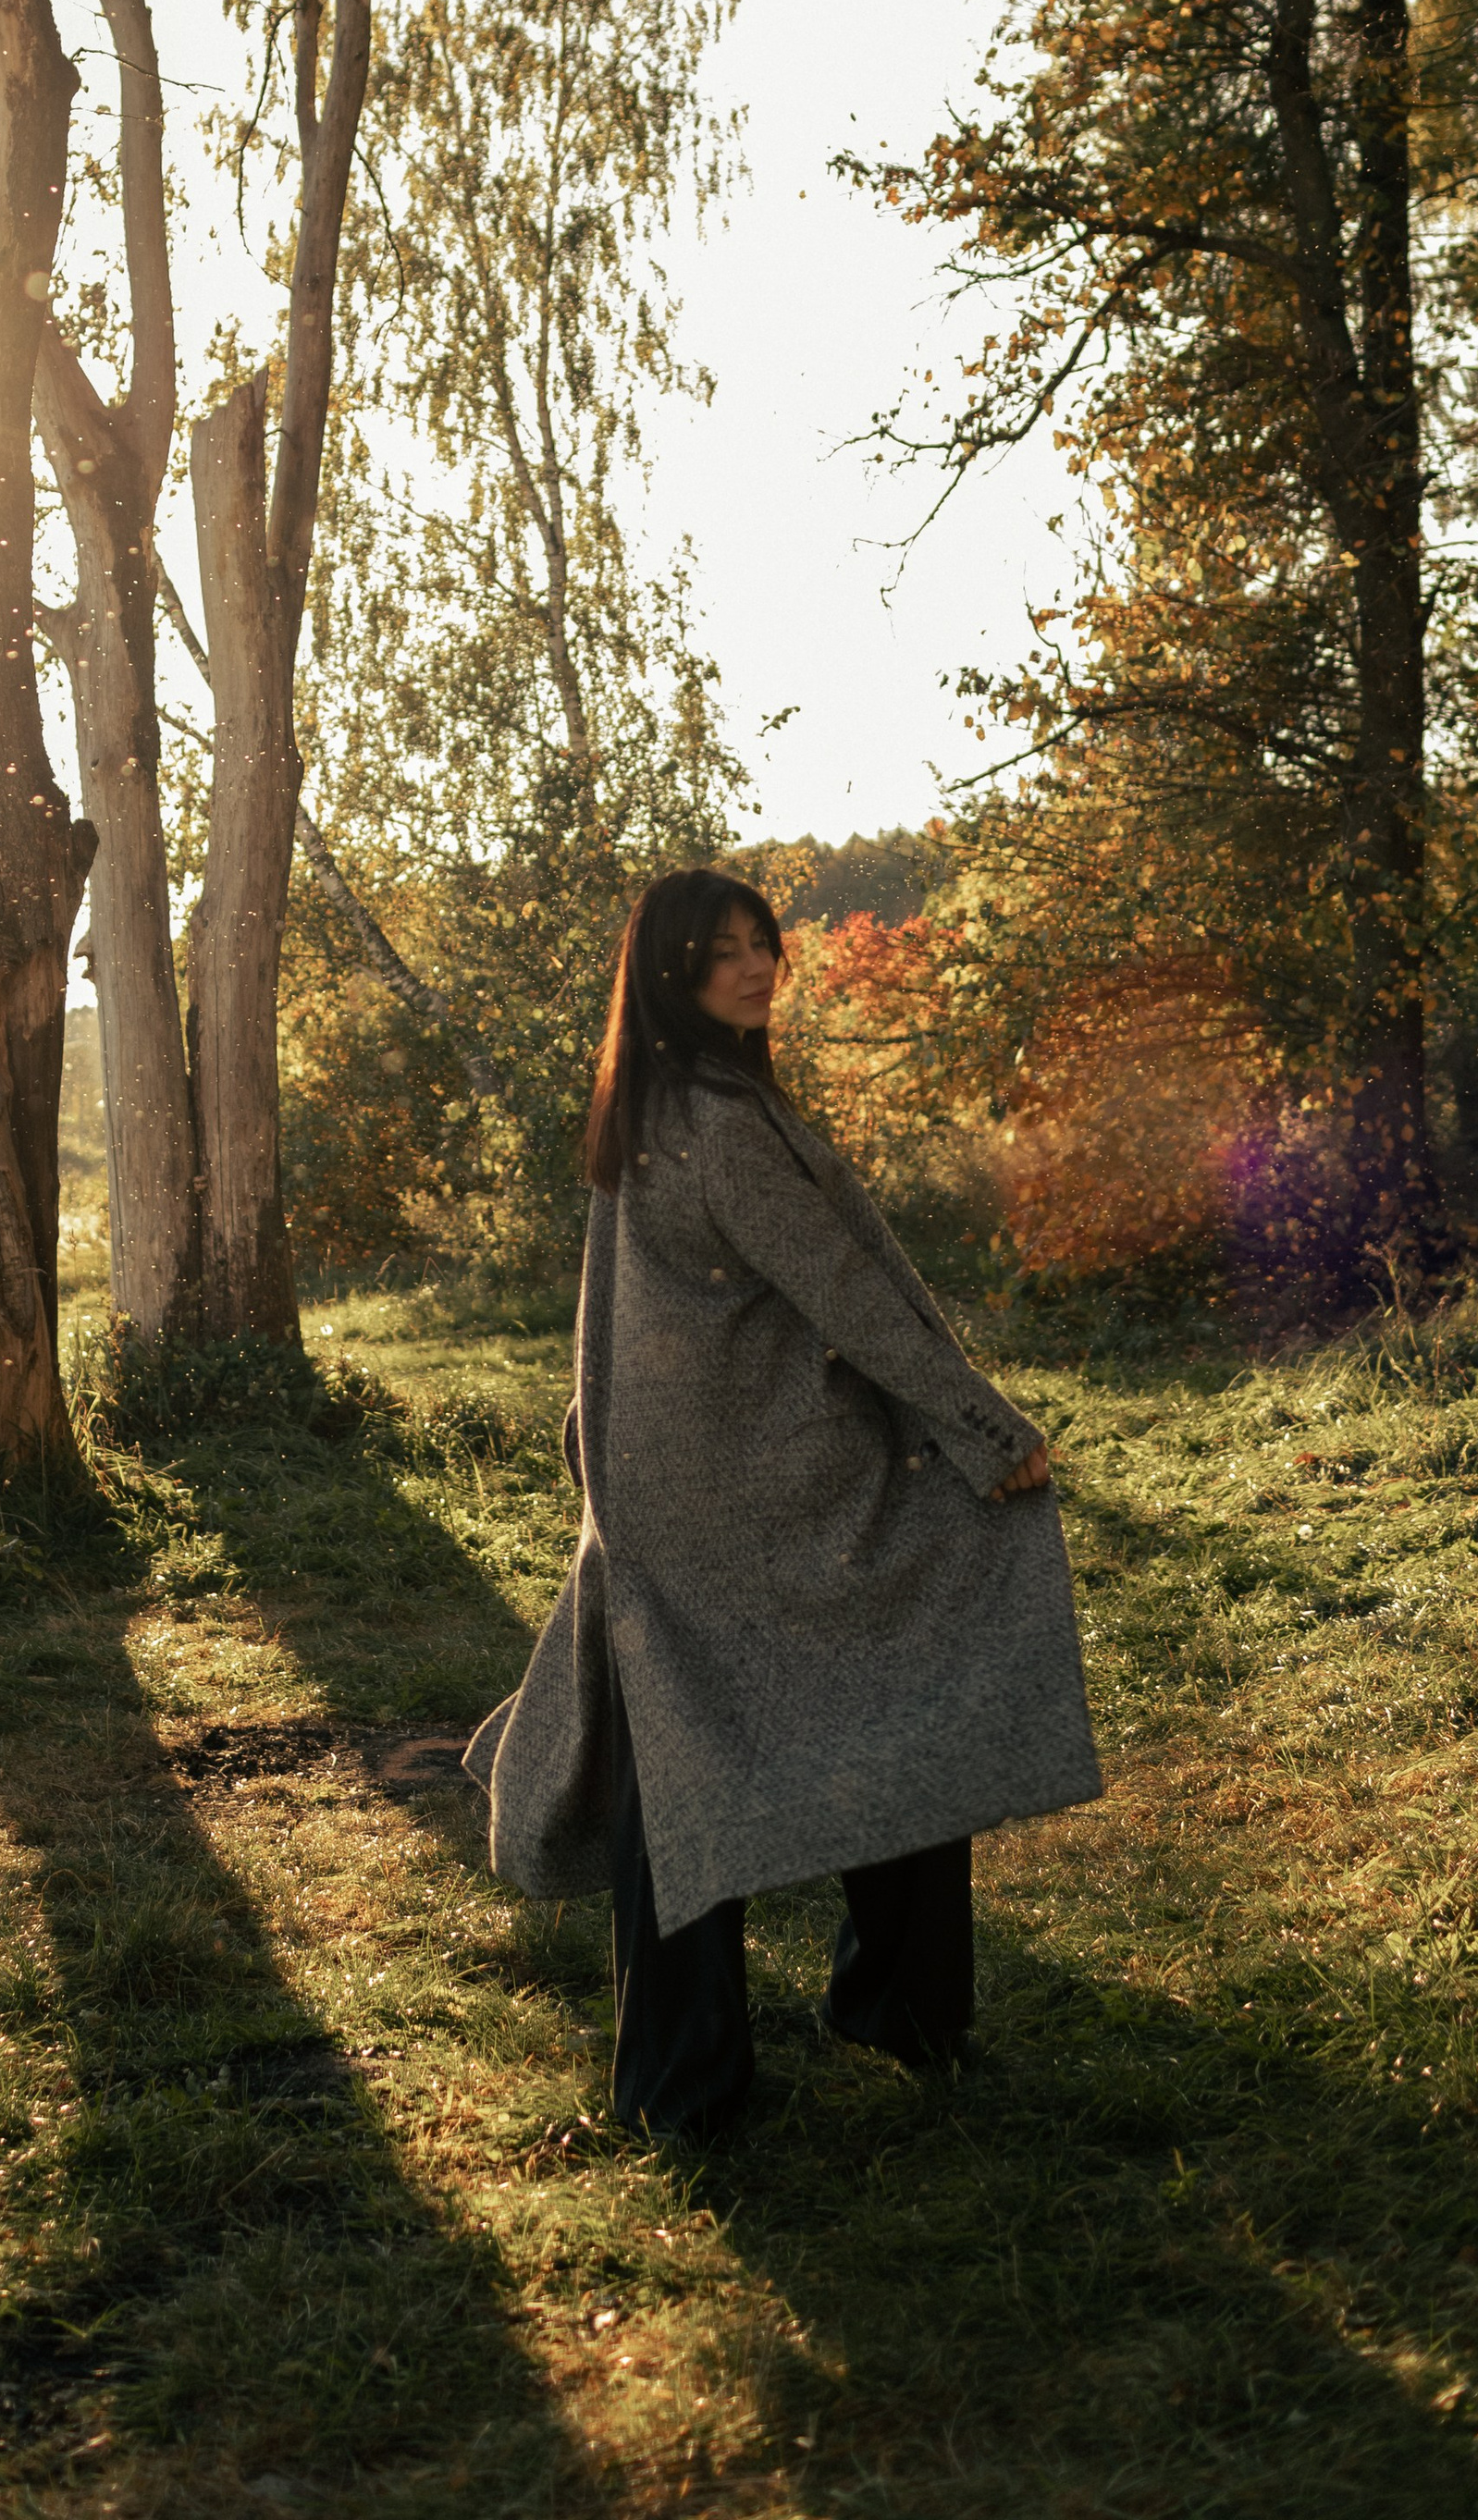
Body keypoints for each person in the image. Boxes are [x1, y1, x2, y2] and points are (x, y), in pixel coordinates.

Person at [464, 866, 1102, 2141]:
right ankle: (829, 2034)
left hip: (675, 1491)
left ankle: (723, 2068)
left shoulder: (650, 1105)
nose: (757, 968)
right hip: (748, 1495)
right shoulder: (720, 1121)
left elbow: (616, 1311)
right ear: (670, 973)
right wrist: (982, 1430)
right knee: (886, 1703)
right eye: (723, 952)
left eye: (764, 943)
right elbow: (847, 1292)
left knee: (713, 1758)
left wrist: (596, 1453)